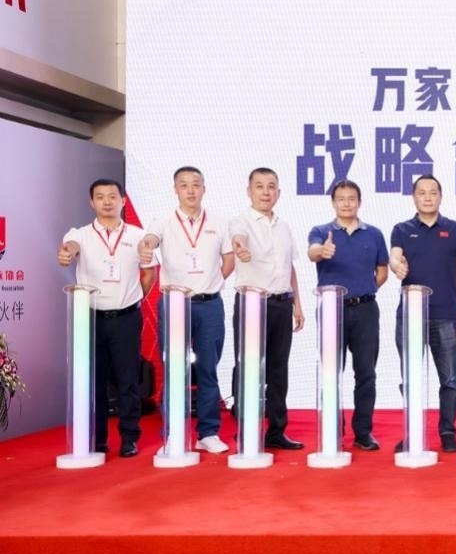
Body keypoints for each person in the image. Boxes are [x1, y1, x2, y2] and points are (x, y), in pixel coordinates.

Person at [137, 166, 234, 454]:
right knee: (175, 370)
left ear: (204, 188)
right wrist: (147, 244)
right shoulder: (163, 222)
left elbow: (229, 260)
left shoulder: (219, 223)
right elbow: (150, 239)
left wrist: (210, 283)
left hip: (210, 304)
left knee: (208, 369)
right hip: (175, 304)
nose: (190, 190)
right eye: (184, 185)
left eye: (196, 184)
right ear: (175, 190)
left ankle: (208, 433)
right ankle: (173, 435)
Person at [58, 178, 156, 458]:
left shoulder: (138, 235)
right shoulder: (80, 234)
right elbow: (69, 247)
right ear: (92, 202)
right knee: (95, 382)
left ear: (123, 201)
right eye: (100, 197)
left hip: (126, 318)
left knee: (128, 380)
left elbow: (149, 273)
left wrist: (133, 298)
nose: (107, 202)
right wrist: (67, 252)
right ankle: (97, 438)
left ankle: (129, 438)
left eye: (112, 196)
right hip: (90, 319)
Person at [390, 174, 456, 453]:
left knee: (449, 379)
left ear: (440, 196)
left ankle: (447, 431)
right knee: (410, 377)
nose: (427, 197)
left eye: (433, 192)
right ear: (414, 197)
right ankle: (413, 432)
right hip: (410, 316)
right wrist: (396, 265)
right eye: (422, 193)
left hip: (445, 314)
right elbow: (395, 256)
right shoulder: (401, 229)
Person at [307, 180, 388, 451]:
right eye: (340, 199)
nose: (346, 203)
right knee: (331, 372)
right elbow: (312, 253)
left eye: (351, 198)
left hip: (366, 310)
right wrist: (322, 251)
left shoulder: (374, 234)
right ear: (333, 203)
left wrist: (364, 290)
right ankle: (333, 431)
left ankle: (363, 432)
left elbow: (382, 271)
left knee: (366, 373)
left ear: (359, 202)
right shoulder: (321, 231)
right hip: (332, 309)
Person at [229, 167, 306, 451]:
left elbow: (290, 267)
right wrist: (240, 247)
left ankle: (276, 431)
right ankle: (247, 431)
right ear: (249, 191)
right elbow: (238, 238)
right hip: (252, 303)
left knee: (278, 369)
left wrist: (297, 304)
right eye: (259, 186)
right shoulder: (241, 222)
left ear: (279, 192)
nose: (266, 192)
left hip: (282, 304)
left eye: (271, 186)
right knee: (249, 368)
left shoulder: (283, 226)